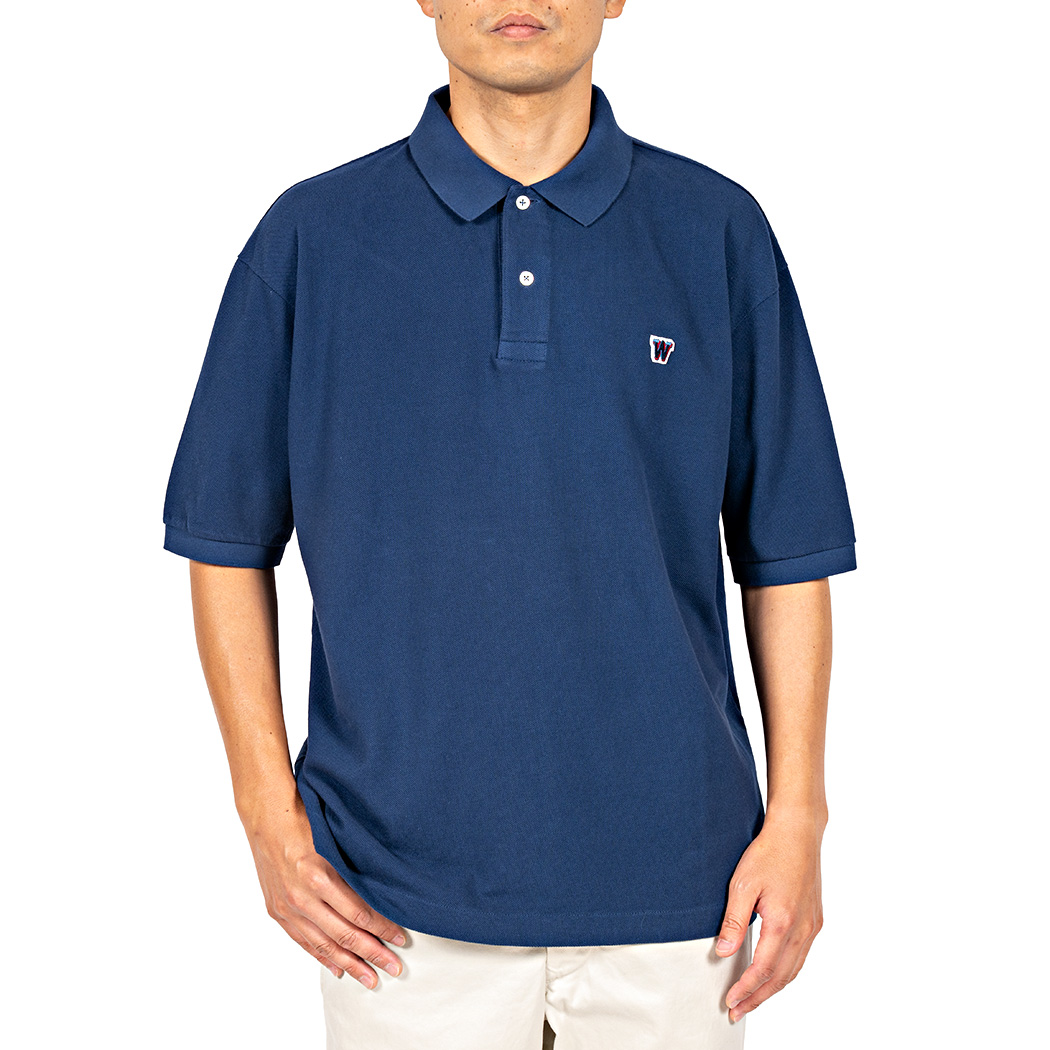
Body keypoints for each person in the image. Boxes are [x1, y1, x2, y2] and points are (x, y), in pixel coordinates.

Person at [161, 2, 857, 1047]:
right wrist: (266, 813)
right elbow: (225, 540)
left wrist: (800, 813)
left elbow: (787, 550)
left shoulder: (716, 230)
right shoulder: (310, 238)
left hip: (685, 891)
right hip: (390, 901)